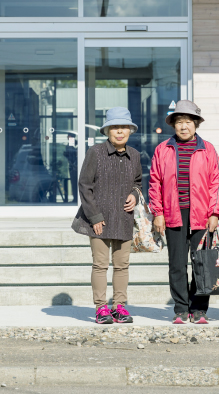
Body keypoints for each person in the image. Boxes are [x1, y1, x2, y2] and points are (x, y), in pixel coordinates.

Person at [151, 100, 219, 325]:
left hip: (202, 215)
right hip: (174, 213)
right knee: (177, 264)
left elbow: (217, 182)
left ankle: (200, 309)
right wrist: (158, 212)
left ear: (195, 124)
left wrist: (215, 213)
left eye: (188, 122)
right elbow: (155, 182)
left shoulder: (207, 149)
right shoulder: (162, 149)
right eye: (179, 122)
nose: (184, 126)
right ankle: (181, 309)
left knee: (201, 262)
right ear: (173, 125)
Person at [71, 107, 142, 325]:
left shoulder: (135, 155)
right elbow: (84, 185)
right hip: (99, 219)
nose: (120, 131)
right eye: (115, 128)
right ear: (107, 131)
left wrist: (134, 196)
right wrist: (94, 216)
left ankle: (119, 307)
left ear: (130, 130)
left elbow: (138, 183)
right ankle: (101, 308)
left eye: (124, 127)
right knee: (100, 264)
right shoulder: (96, 152)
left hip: (123, 218)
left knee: (122, 265)